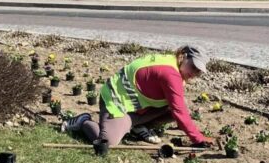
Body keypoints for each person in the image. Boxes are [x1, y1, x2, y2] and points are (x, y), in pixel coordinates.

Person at [63, 45, 215, 153]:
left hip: (134, 106)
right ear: (185, 57)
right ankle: (83, 121)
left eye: (199, 71)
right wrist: (198, 139)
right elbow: (179, 111)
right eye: (193, 67)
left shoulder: (173, 62)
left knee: (175, 105)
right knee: (108, 142)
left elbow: (177, 107)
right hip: (115, 100)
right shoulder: (170, 74)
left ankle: (138, 127)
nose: (194, 73)